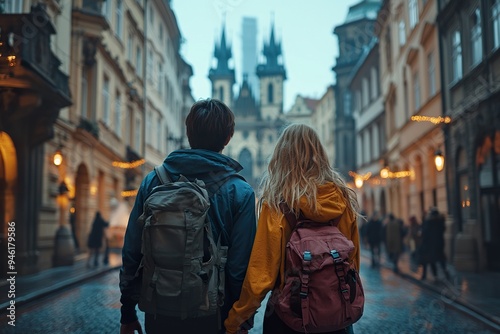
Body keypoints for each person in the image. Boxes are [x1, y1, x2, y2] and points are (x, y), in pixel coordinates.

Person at [119, 98, 257, 334]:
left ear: (188, 132)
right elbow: (238, 268)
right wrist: (240, 320)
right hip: (214, 314)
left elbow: (132, 251)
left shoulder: (153, 180)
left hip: (160, 309)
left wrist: (127, 312)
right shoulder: (240, 192)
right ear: (228, 138)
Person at [224, 124, 361, 334]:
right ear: (319, 154)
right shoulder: (341, 197)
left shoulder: (278, 200)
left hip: (289, 316)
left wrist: (237, 319)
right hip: (337, 314)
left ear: (282, 155)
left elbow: (262, 273)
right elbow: (353, 261)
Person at [419, 207, 450, 281]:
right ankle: (444, 271)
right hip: (439, 243)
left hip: (430, 244)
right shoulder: (440, 222)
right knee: (441, 258)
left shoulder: (428, 222)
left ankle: (435, 275)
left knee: (432, 260)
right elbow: (443, 230)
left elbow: (425, 233)